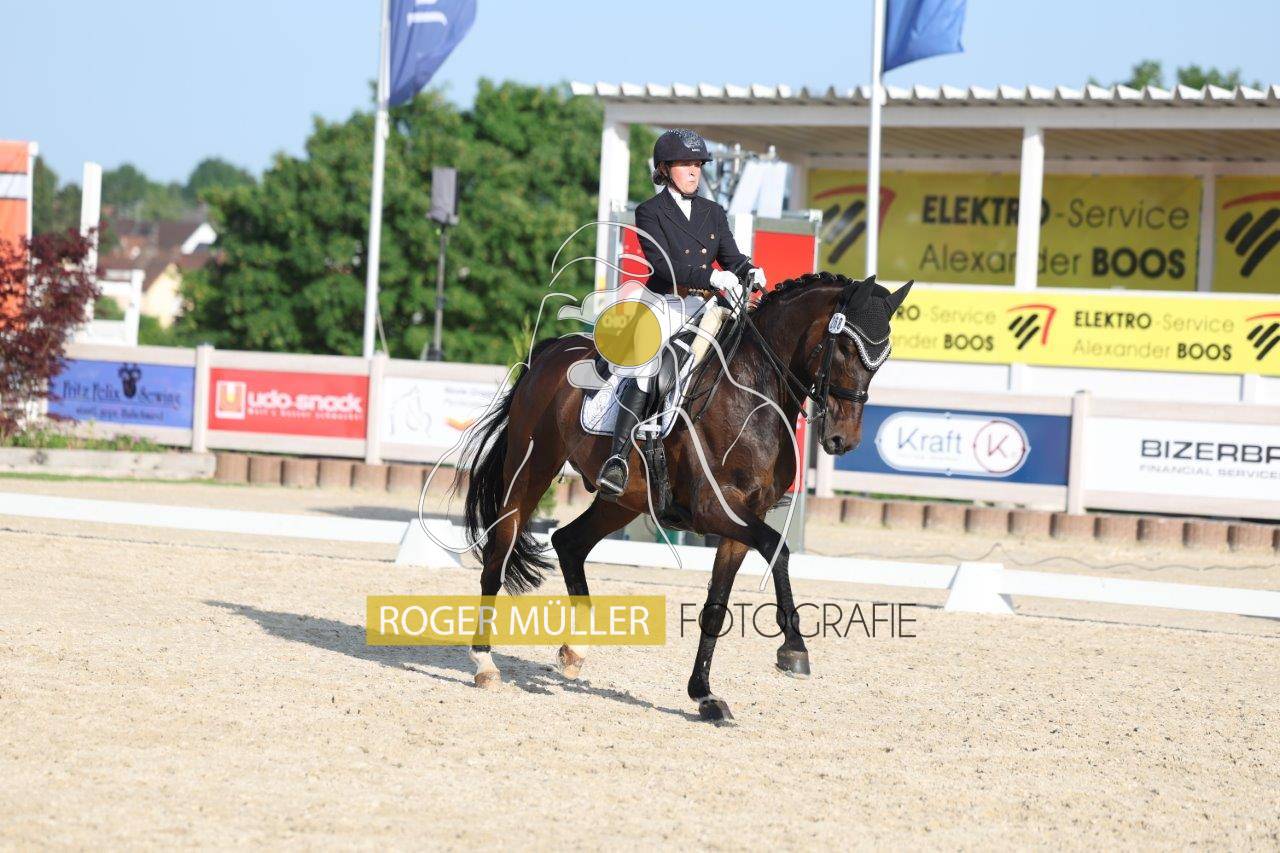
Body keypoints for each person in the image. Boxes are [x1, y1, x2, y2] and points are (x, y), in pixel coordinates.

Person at [597, 128, 766, 500]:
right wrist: (711, 276)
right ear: (664, 169)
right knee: (646, 368)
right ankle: (617, 458)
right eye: (685, 164)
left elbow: (732, 257)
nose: (694, 171)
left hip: (705, 308)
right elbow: (663, 266)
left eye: (698, 164)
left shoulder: (713, 212)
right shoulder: (650, 212)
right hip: (665, 304)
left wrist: (749, 271)